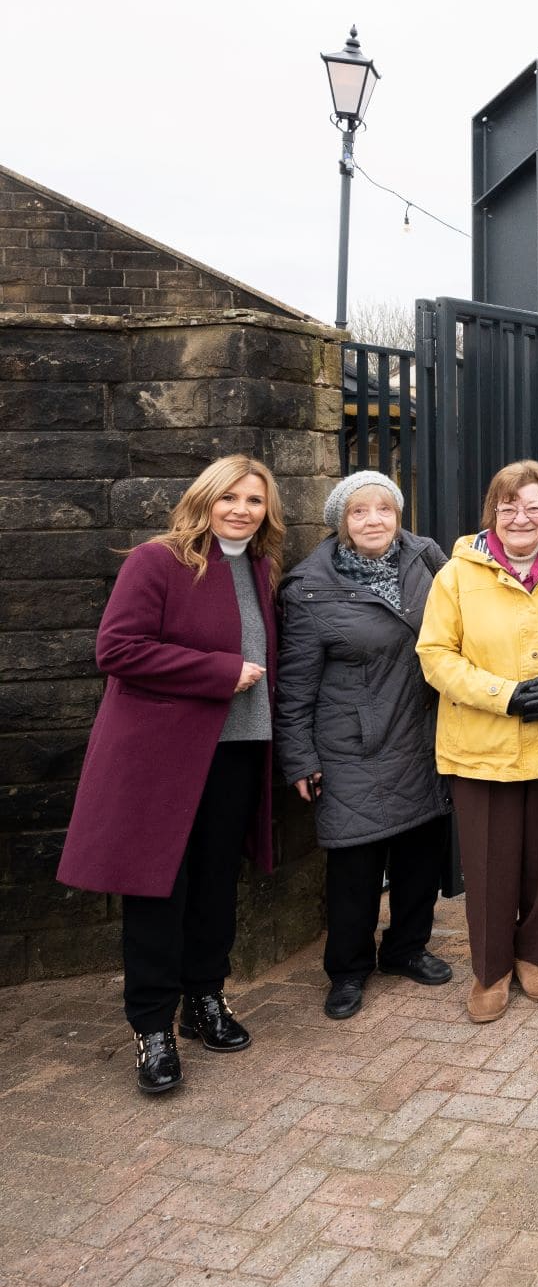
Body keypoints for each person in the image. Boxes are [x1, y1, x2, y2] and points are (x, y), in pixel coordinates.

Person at [58, 454, 285, 1094]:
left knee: (216, 883)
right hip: (164, 759)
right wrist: (218, 673)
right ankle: (152, 1026)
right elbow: (117, 650)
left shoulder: (264, 569)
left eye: (255, 499)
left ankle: (205, 999)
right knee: (157, 891)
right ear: (204, 499)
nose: (241, 509)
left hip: (241, 750)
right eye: (230, 497)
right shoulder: (156, 561)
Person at [417, 460, 538, 1024]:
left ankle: (537, 956)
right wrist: (505, 695)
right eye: (508, 506)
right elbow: (435, 657)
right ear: (491, 513)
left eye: (534, 506)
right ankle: (491, 969)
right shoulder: (455, 576)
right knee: (491, 866)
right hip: (482, 747)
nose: (521, 517)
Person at [275, 470, 452, 1020]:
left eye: (384, 508)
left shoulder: (428, 560)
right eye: (359, 512)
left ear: (398, 514)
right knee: (355, 865)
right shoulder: (308, 588)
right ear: (340, 523)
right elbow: (295, 685)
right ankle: (347, 969)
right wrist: (300, 758)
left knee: (421, 856)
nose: (373, 520)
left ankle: (406, 948)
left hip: (423, 734)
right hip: (352, 745)